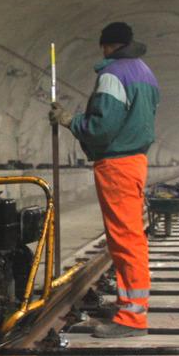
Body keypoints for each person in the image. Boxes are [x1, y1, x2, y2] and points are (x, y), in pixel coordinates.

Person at [50, 21, 160, 338]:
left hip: (117, 165)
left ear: (106, 46)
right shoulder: (145, 73)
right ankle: (129, 305)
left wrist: (70, 120)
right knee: (128, 237)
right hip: (135, 160)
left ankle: (133, 318)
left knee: (126, 240)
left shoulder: (113, 75)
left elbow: (102, 127)